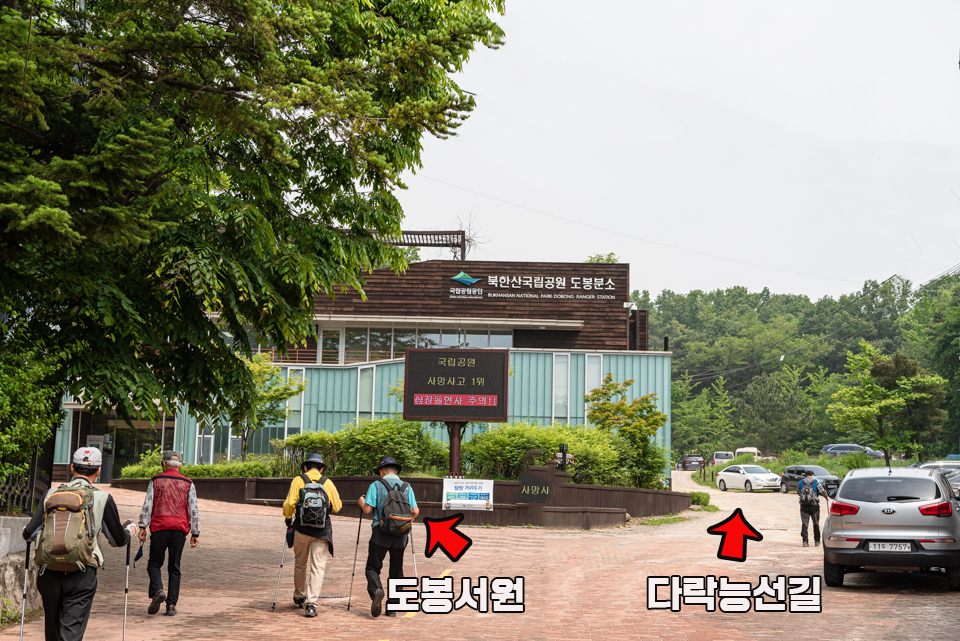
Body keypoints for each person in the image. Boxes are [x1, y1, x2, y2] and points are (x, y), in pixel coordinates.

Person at [21, 447, 138, 641]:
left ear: (72, 467)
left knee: (53, 633)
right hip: (82, 572)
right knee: (71, 634)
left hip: (49, 572)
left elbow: (29, 534)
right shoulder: (102, 498)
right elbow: (117, 540)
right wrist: (130, 531)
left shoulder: (51, 493)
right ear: (98, 471)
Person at [137, 450, 200, 616]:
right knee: (174, 567)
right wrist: (195, 532)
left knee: (154, 563)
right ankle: (171, 605)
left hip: (160, 527)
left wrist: (142, 526)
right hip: (179, 529)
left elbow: (148, 505)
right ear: (180, 466)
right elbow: (193, 509)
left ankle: (158, 590)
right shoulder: (188, 483)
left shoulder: (156, 480)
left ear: (163, 464)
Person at [282, 453, 342, 617]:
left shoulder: (298, 480)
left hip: (301, 529)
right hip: (321, 531)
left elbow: (289, 504)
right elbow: (337, 507)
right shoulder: (327, 482)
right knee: (318, 567)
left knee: (300, 563)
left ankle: (299, 595)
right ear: (321, 468)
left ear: (305, 467)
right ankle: (311, 604)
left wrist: (288, 517)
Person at [359, 457, 419, 618]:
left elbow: (367, 510)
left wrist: (362, 502)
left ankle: (376, 590)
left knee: (373, 567)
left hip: (381, 533)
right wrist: (408, 520)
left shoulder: (376, 485)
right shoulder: (407, 487)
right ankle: (392, 608)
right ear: (396, 471)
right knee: (396, 571)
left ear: (380, 471)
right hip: (401, 535)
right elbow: (415, 511)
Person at [798, 469, 830, 547]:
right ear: (812, 475)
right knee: (816, 523)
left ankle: (805, 542)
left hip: (804, 506)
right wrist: (826, 497)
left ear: (805, 475)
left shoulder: (800, 482)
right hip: (814, 506)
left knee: (805, 524)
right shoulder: (815, 482)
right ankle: (817, 541)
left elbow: (799, 492)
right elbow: (822, 491)